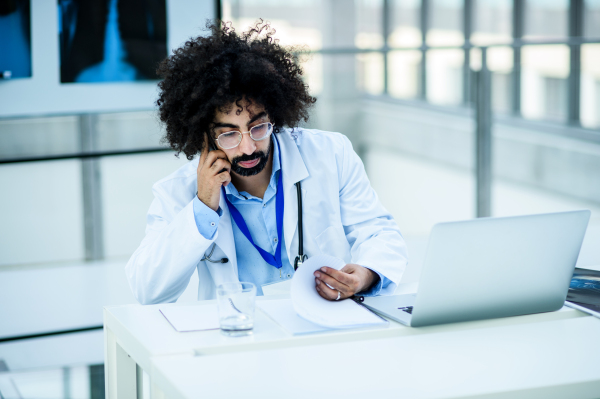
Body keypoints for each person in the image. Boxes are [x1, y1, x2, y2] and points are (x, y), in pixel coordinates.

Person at [126, 21, 408, 304]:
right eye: (228, 134)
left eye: (258, 127)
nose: (248, 147)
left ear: (275, 115)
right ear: (204, 135)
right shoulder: (179, 191)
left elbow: (378, 232)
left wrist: (365, 274)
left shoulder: (330, 154)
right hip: (240, 336)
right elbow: (147, 290)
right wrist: (202, 207)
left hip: (325, 327)